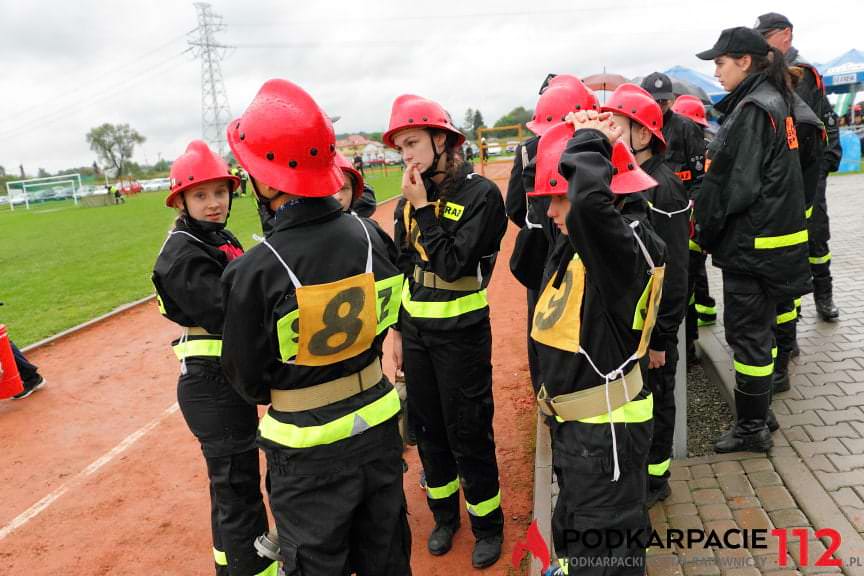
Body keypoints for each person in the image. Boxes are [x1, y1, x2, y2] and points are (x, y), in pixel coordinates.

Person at [220, 79, 410, 575]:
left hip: (307, 460)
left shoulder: (253, 272)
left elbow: (247, 381)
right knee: (386, 558)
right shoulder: (371, 235)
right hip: (378, 433)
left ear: (268, 181)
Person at [530, 118, 665, 575]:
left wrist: (590, 141)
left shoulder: (624, 247)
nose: (550, 213)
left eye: (556, 198)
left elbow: (586, 203)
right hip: (585, 436)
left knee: (601, 555)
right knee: (585, 542)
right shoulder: (592, 245)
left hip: (603, 438)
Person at [386, 93, 507, 568]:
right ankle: (444, 516)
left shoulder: (479, 194)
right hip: (416, 331)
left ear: (442, 140)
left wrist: (422, 209)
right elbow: (401, 267)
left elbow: (455, 263)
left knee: (468, 430)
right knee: (428, 429)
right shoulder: (408, 200)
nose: (406, 155)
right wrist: (394, 333)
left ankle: (488, 525)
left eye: (413, 142)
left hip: (462, 332)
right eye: (400, 148)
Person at [151, 140, 278, 576]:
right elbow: (228, 311)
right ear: (182, 200)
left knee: (230, 486)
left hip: (225, 376)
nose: (213, 203)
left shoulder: (217, 237)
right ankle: (254, 570)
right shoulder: (182, 252)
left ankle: (231, 567)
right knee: (238, 488)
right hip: (211, 385)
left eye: (220, 192)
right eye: (201, 194)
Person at [695, 27, 811, 453]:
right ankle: (760, 413)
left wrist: (703, 230)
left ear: (744, 61)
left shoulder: (753, 108)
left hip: (752, 247)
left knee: (747, 340)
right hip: (775, 243)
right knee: (760, 334)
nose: (716, 73)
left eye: (720, 64)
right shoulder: (777, 101)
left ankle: (751, 430)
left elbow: (732, 187)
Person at [602, 83, 690, 506]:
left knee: (658, 396)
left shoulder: (663, 187)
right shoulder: (632, 179)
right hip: (637, 323)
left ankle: (657, 479)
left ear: (641, 135)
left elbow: (672, 273)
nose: (610, 132)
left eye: (617, 125)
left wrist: (659, 338)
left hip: (655, 328)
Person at [506, 75, 598, 395]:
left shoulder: (528, 149)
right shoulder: (595, 154)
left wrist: (537, 224)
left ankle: (544, 392)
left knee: (543, 325)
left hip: (547, 256)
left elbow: (514, 206)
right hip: (561, 254)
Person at [755, 12, 843, 322]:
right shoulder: (767, 72)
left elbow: (824, 118)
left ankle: (824, 295)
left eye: (766, 37)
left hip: (808, 170)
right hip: (784, 172)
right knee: (790, 242)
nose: (762, 44)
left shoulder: (803, 73)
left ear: (786, 35)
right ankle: (793, 312)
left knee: (816, 237)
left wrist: (827, 162)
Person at [670, 95, 716, 361]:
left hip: (693, 226)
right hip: (692, 229)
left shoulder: (705, 150)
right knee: (694, 276)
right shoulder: (702, 146)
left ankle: (689, 344)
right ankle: (703, 317)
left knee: (688, 283)